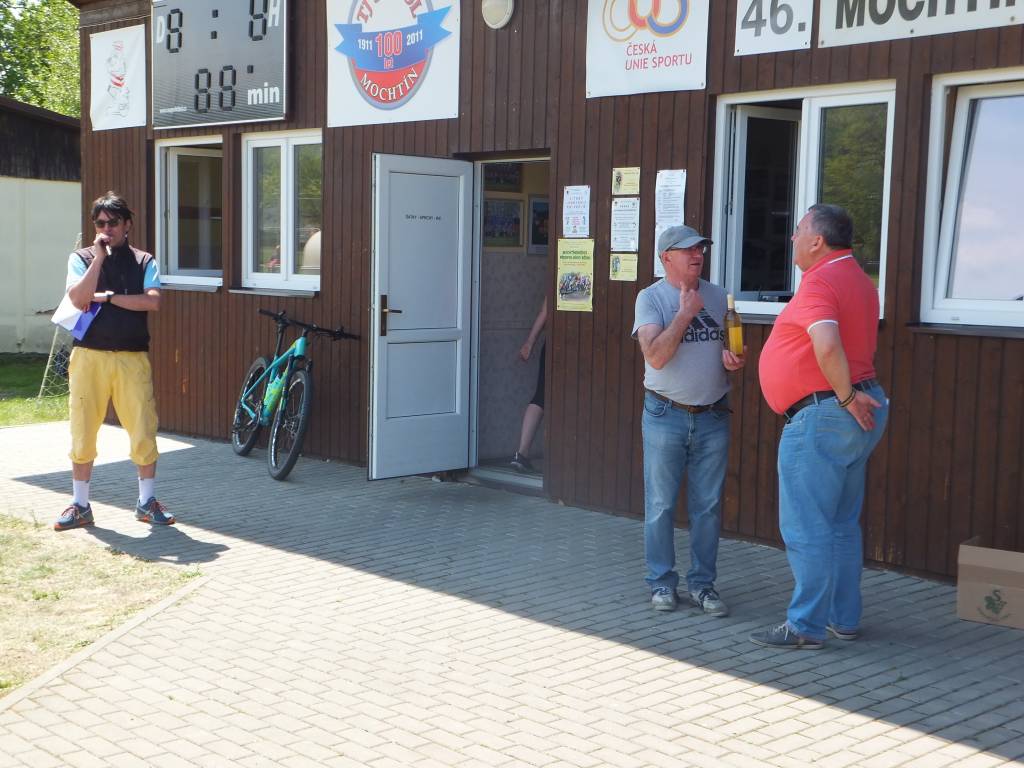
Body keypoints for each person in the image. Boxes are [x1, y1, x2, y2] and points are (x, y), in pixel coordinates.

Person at [750, 204, 888, 650]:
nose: (791, 238)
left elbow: (827, 345)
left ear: (817, 241)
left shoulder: (820, 280)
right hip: (857, 408)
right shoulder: (860, 279)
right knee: (842, 524)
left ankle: (805, 625)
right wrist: (849, 398)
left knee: (806, 526)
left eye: (798, 231)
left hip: (824, 414)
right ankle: (843, 618)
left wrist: (844, 397)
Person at [632, 225, 746, 615]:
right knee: (661, 505)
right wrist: (684, 314)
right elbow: (655, 357)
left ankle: (702, 585)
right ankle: (662, 583)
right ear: (666, 257)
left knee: (708, 508)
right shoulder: (650, 298)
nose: (697, 255)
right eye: (688, 250)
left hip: (713, 414)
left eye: (700, 249)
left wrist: (734, 361)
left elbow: (730, 350)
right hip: (665, 415)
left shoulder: (719, 295)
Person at [54, 192, 173, 531]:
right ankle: (80, 505)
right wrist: (98, 260)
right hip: (88, 356)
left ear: (127, 224)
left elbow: (151, 302)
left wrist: (107, 298)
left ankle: (147, 502)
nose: (106, 229)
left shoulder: (144, 261)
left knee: (143, 429)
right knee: (83, 429)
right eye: (100, 223)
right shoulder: (81, 258)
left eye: (113, 223)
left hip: (132, 358)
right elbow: (78, 298)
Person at [511, 297, 548, 473]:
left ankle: (522, 453)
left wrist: (529, 343)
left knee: (541, 397)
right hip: (578, 344)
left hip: (554, 343)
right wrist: (529, 344)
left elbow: (545, 312)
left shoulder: (561, 279)